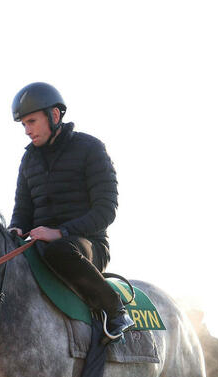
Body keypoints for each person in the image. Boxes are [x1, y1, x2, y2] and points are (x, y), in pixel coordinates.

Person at [9, 81, 133, 342]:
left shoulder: (91, 149)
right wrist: (15, 229)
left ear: (54, 116)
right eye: (24, 125)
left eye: (31, 122)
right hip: (40, 246)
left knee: (58, 249)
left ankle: (115, 310)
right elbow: (22, 211)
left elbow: (106, 210)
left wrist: (61, 232)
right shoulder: (28, 159)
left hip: (87, 247)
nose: (27, 131)